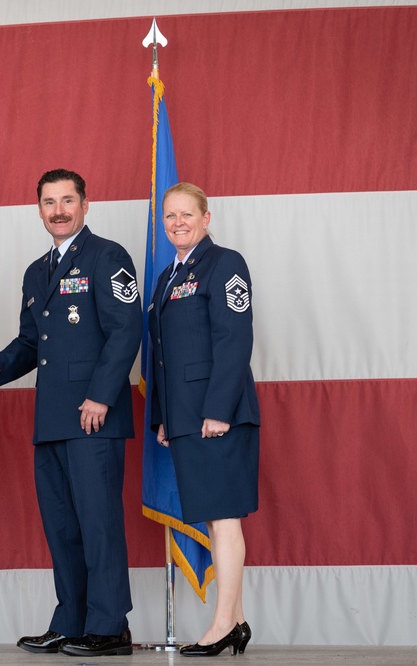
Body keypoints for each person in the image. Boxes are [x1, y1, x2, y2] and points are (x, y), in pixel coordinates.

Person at [0, 168, 142, 657]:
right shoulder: (36, 271)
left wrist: (103, 395)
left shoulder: (109, 257)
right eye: (49, 202)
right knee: (63, 526)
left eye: (68, 200)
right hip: (50, 418)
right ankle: (71, 619)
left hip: (94, 415)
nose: (59, 210)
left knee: (98, 523)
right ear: (39, 209)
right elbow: (30, 343)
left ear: (86, 205)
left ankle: (109, 626)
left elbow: (125, 330)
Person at [147, 183, 260, 657]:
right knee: (217, 521)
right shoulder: (168, 276)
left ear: (206, 217)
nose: (177, 223)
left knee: (225, 519)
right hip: (187, 418)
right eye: (169, 216)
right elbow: (163, 356)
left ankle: (220, 626)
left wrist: (217, 410)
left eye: (186, 215)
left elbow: (235, 339)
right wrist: (164, 417)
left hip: (218, 416)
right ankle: (235, 621)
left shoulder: (225, 264)